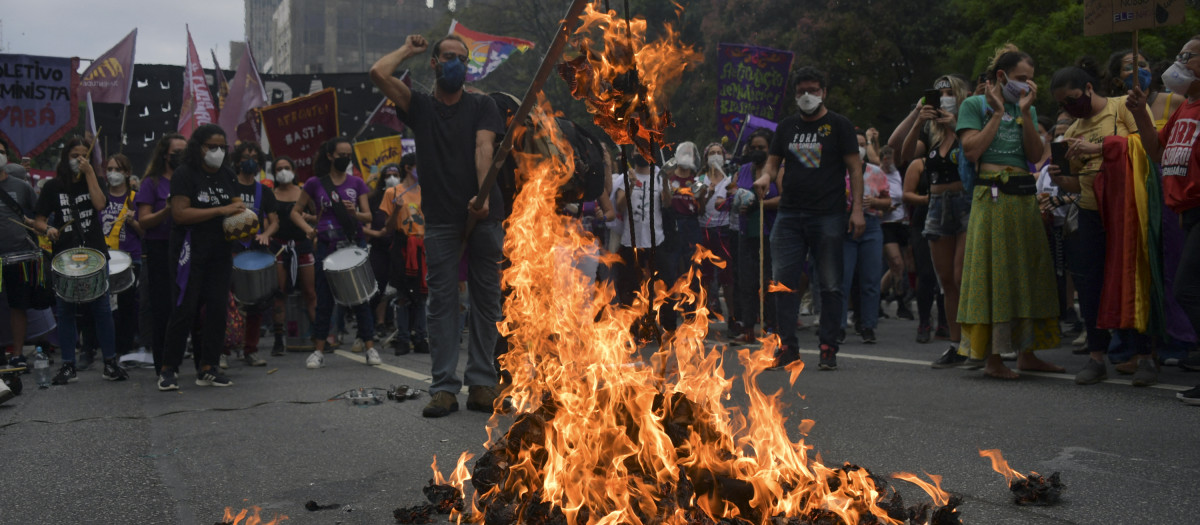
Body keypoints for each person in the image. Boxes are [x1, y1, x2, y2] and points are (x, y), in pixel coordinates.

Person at [370, 33, 506, 418]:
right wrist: (407, 49)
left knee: (486, 301)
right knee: (443, 302)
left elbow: (485, 149)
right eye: (448, 57)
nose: (456, 64)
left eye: (462, 59)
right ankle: (444, 387)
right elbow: (378, 72)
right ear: (434, 63)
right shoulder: (420, 106)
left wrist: (481, 197)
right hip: (442, 220)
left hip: (484, 214)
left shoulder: (483, 105)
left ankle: (481, 383)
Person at [955, 45, 1062, 379]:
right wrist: (999, 113)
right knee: (994, 276)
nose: (1027, 85)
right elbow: (971, 151)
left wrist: (1025, 113)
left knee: (1027, 272)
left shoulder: (1026, 108)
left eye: (1030, 80)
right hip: (992, 196)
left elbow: (1034, 153)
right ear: (1001, 77)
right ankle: (994, 359)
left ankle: (1027, 353)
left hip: (1023, 197)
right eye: (1021, 79)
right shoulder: (975, 105)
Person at [754, 66, 866, 371]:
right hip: (789, 215)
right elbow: (772, 164)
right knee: (783, 283)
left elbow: (855, 169)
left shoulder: (839, 125)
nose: (807, 96)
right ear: (794, 95)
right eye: (802, 91)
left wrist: (856, 210)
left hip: (828, 214)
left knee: (830, 283)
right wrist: (765, 178)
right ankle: (787, 346)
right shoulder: (786, 127)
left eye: (813, 90)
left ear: (824, 92)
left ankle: (829, 345)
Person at [1127, 36, 1200, 403]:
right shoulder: (1185, 108)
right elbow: (1156, 151)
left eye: (1187, 56)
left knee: (1186, 289)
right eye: (1179, 54)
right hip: (1185, 214)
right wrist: (1141, 113)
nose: (1179, 62)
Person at [33, 136, 128, 384]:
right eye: (75, 155)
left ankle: (109, 362)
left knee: (102, 308)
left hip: (95, 253)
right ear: (66, 158)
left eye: (84, 155)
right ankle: (68, 365)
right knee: (65, 310)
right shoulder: (53, 187)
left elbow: (99, 203)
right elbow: (39, 219)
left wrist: (89, 175)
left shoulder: (93, 181)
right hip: (65, 256)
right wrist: (47, 230)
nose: (79, 159)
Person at [159, 124, 243, 390]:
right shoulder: (185, 174)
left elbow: (236, 207)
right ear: (199, 147)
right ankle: (168, 369)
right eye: (212, 147)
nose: (217, 152)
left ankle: (208, 366)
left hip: (219, 250)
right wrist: (221, 210)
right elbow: (180, 214)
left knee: (217, 308)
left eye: (222, 147)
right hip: (188, 250)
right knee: (185, 308)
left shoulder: (227, 174)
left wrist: (244, 217)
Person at [901, 75, 974, 366]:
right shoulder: (931, 133)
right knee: (946, 280)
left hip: (966, 202)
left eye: (949, 92)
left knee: (961, 275)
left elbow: (974, 152)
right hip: (937, 205)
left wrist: (953, 123)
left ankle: (974, 340)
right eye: (940, 93)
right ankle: (957, 345)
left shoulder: (969, 125)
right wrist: (919, 120)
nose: (944, 97)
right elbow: (904, 156)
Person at [291, 137, 379, 370]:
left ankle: (370, 347)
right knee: (324, 299)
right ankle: (318, 351)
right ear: (330, 156)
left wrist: (355, 213)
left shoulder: (357, 183)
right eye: (341, 155)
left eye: (348, 155)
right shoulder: (314, 183)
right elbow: (295, 212)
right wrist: (309, 230)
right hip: (326, 246)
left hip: (352, 243)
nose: (346, 159)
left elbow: (368, 216)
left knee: (361, 298)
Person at [136, 133, 186, 374]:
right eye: (176, 151)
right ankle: (164, 365)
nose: (181, 156)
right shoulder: (152, 183)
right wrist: (167, 210)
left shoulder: (188, 180)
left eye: (185, 151)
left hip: (185, 248)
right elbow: (143, 221)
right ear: (165, 154)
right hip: (159, 249)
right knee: (162, 308)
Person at [229, 141, 278, 367]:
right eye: (246, 156)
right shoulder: (228, 186)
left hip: (255, 250)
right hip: (231, 248)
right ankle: (223, 349)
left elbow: (275, 221)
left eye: (255, 157)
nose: (251, 160)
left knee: (256, 303)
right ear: (237, 160)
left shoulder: (264, 190)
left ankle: (251, 349)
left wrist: (266, 234)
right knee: (228, 302)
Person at [379, 154, 430, 356]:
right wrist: (397, 209)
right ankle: (403, 338)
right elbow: (387, 227)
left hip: (422, 246)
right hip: (402, 245)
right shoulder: (393, 192)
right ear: (409, 168)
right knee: (403, 295)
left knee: (422, 295)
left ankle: (420, 337)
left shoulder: (426, 192)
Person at [268, 156, 316, 355]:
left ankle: (319, 335)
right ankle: (279, 339)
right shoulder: (270, 195)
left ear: (294, 170)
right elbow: (268, 221)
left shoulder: (305, 193)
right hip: (279, 248)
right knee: (279, 294)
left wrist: (309, 219)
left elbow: (319, 216)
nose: (283, 171)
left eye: (287, 167)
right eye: (279, 168)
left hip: (303, 247)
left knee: (310, 293)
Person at [0, 138, 40, 369]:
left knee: (17, 305)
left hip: (18, 254)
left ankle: (17, 354)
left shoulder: (21, 187)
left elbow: (40, 214)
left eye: (2, 151)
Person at [841, 156, 891, 344]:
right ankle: (839, 327)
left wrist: (875, 202)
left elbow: (888, 202)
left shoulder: (875, 172)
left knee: (870, 279)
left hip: (870, 225)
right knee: (843, 279)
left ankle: (868, 326)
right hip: (845, 225)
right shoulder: (837, 169)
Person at [100, 153, 142, 357]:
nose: (113, 174)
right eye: (109, 169)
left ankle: (124, 347)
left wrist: (134, 221)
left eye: (118, 170)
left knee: (126, 306)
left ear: (127, 173)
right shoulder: (99, 197)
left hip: (129, 260)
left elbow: (146, 232)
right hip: (104, 259)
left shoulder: (136, 198)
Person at [699, 142, 735, 323]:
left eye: (718, 152)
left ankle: (733, 319)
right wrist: (705, 194)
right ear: (706, 158)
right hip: (704, 230)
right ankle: (703, 318)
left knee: (727, 276)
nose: (715, 156)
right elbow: (697, 209)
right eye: (711, 152)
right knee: (704, 276)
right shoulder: (700, 180)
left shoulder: (730, 181)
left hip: (724, 231)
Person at [876, 147, 912, 321]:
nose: (888, 161)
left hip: (902, 223)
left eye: (891, 158)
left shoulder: (899, 175)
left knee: (898, 266)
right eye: (885, 158)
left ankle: (878, 298)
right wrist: (884, 206)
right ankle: (901, 303)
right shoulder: (877, 175)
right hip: (886, 223)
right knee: (896, 263)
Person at [365, 165, 395, 335]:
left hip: (398, 248)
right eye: (388, 175)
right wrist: (376, 233)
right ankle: (376, 323)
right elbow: (361, 224)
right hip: (378, 248)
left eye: (395, 175)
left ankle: (394, 324)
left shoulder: (404, 196)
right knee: (378, 288)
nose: (392, 178)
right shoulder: (373, 199)